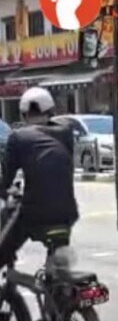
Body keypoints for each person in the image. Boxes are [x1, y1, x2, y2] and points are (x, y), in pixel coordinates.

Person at [0, 87, 79, 269]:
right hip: (66, 214)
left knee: (3, 250)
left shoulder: (18, 137)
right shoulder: (66, 132)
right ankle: (58, 280)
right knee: (59, 259)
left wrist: (6, 191)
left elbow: (7, 179)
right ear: (51, 111)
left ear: (23, 114)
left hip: (34, 213)